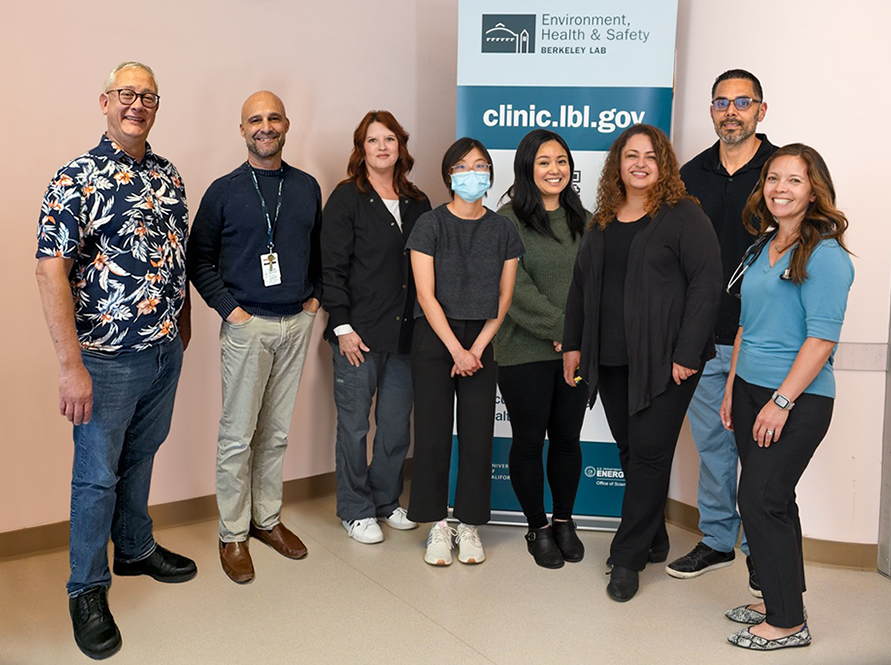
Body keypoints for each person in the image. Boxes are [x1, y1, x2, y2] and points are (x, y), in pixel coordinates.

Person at [35, 61, 196, 660]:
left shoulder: (169, 174)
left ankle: (133, 547)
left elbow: (173, 254)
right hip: (104, 359)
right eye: (126, 94)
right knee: (96, 475)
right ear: (105, 101)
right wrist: (70, 365)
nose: (137, 104)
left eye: (148, 96)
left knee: (143, 454)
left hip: (161, 352)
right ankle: (86, 588)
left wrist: (182, 322)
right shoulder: (77, 177)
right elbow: (51, 269)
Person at [562, 124, 721, 601]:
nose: (640, 163)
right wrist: (573, 344)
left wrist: (687, 354)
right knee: (632, 452)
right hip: (609, 360)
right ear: (618, 164)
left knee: (649, 455)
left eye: (650, 156)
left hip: (667, 363)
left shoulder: (683, 216)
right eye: (631, 155)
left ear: (664, 164)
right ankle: (654, 537)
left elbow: (706, 285)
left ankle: (627, 558)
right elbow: (580, 285)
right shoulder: (603, 219)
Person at [720, 144, 854, 650]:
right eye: (773, 178)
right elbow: (744, 327)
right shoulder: (762, 246)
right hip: (751, 388)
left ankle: (787, 624)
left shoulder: (826, 255)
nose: (780, 188)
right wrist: (733, 387)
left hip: (796, 398)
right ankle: (779, 597)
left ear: (814, 189)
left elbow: (821, 340)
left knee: (761, 498)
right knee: (775, 500)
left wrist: (780, 402)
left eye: (794, 180)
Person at [187, 91, 321, 584]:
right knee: (238, 435)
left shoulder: (306, 187)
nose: (265, 127)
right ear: (241, 130)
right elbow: (197, 260)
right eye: (254, 120)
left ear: (287, 124)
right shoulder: (223, 191)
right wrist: (233, 312)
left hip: (296, 322)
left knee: (277, 431)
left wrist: (315, 299)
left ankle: (266, 520)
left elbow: (318, 251)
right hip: (248, 327)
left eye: (273, 118)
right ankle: (232, 533)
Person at [668, 70, 777, 593]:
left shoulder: (782, 170)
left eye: (742, 101)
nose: (730, 111)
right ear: (711, 111)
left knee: (760, 448)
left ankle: (761, 548)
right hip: (706, 335)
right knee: (714, 443)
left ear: (761, 109)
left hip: (764, 337)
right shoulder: (688, 176)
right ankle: (716, 540)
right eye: (721, 102)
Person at [406, 138, 523, 566]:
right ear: (449, 175)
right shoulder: (430, 225)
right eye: (463, 166)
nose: (472, 173)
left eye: (480, 165)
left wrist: (474, 349)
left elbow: (505, 297)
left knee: (477, 436)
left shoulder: (503, 229)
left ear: (490, 175)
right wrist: (456, 350)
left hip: (482, 341)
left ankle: (469, 525)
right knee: (434, 434)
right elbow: (425, 293)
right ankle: (437, 524)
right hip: (436, 340)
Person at [321, 111, 431, 544]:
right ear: (361, 148)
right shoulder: (347, 198)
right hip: (357, 336)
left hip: (405, 335)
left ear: (400, 146)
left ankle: (386, 501)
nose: (382, 147)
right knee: (354, 427)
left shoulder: (418, 201)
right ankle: (354, 509)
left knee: (395, 425)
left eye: (390, 139)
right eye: (373, 140)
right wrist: (343, 327)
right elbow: (331, 267)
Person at [493, 130, 589, 568]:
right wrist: (563, 328)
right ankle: (538, 526)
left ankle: (564, 519)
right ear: (527, 168)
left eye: (562, 161)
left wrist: (573, 338)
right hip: (523, 352)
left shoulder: (585, 220)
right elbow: (513, 289)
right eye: (545, 162)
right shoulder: (508, 221)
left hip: (573, 354)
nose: (555, 170)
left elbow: (594, 285)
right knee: (529, 441)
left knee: (568, 439)